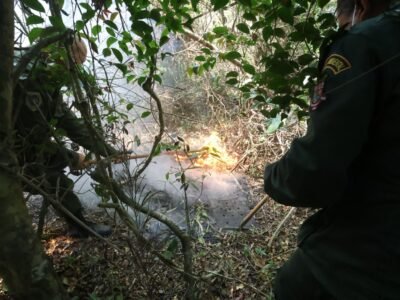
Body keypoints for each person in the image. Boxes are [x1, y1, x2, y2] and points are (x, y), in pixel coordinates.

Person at [264, 0, 400, 298]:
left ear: (360, 7)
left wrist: (273, 177)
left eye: (345, 25)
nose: (348, 30)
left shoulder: (366, 42)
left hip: (370, 253)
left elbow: (314, 172)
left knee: (296, 284)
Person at [14, 38, 117, 238]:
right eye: (72, 65)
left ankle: (76, 224)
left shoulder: (48, 84)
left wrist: (108, 151)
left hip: (24, 149)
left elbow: (71, 125)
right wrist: (71, 158)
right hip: (12, 153)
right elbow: (30, 146)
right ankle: (77, 226)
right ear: (57, 55)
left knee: (56, 167)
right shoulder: (25, 78)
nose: (71, 73)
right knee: (52, 177)